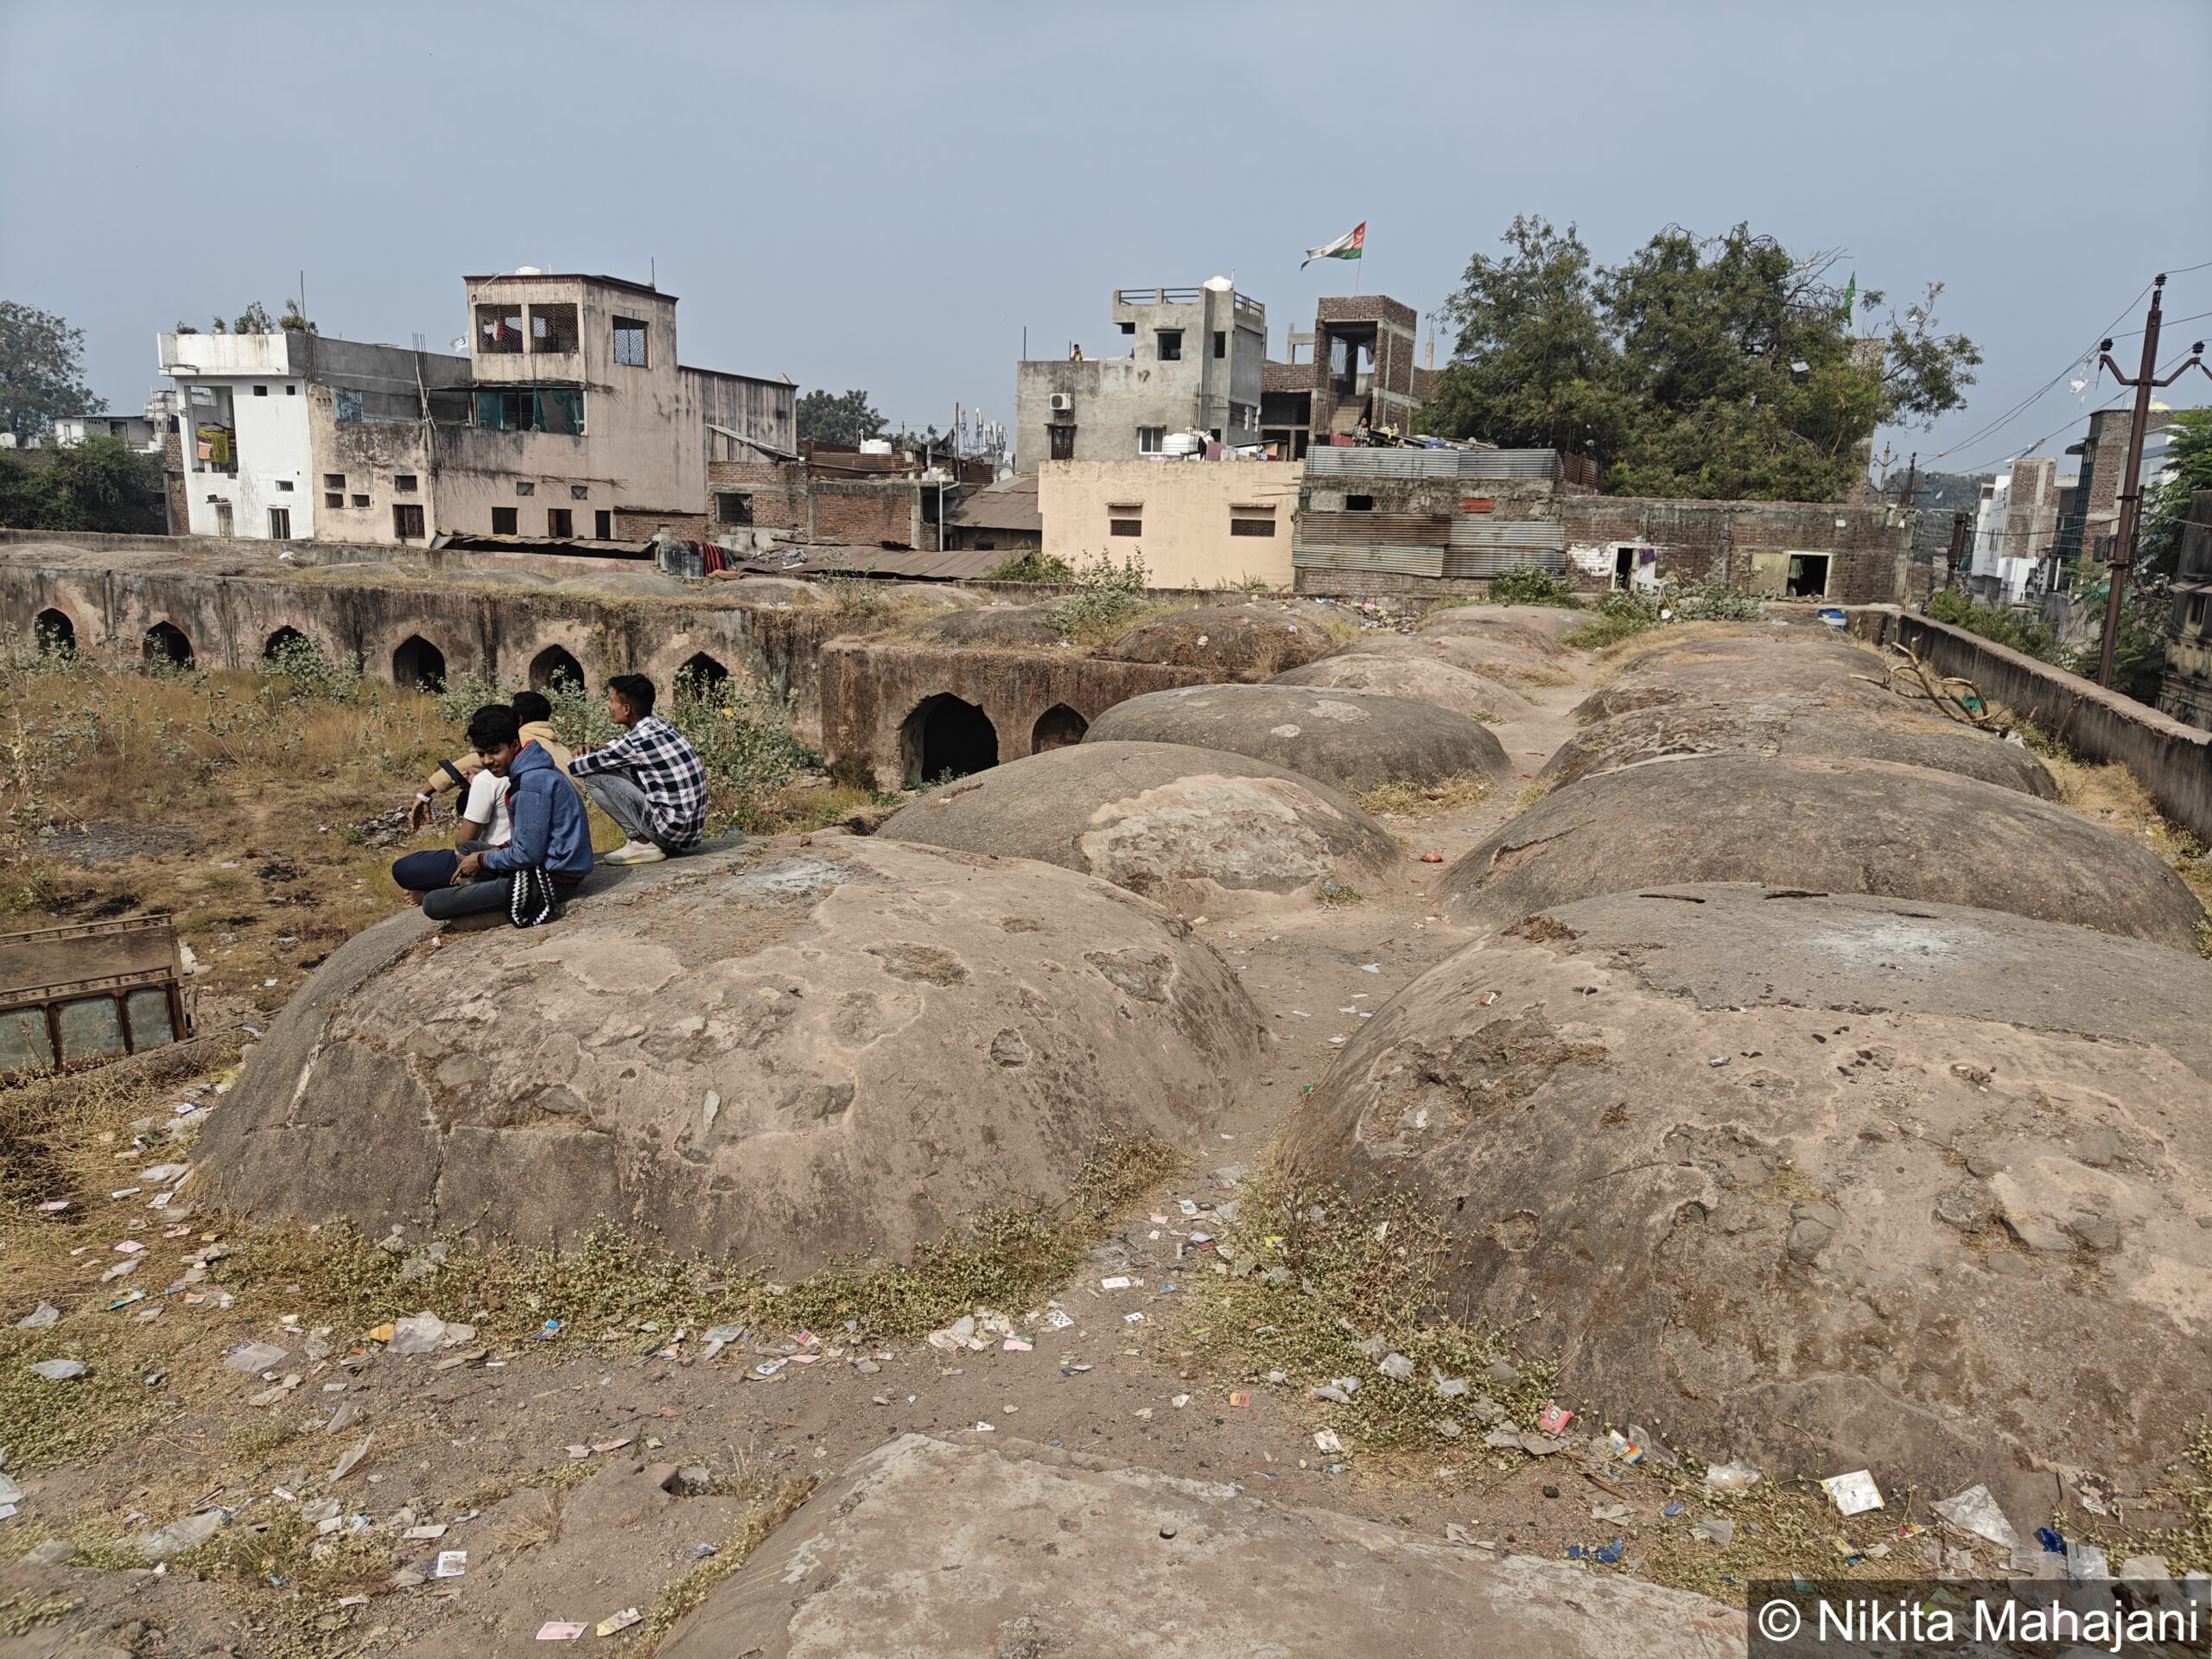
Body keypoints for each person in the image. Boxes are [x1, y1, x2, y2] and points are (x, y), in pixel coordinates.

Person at [395, 705, 592, 924]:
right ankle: (479, 891)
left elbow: (528, 854)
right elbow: (527, 840)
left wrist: (482, 860)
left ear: (514, 745)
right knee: (468, 848)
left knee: (433, 904)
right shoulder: (527, 770)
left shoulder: (531, 783)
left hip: (551, 878)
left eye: (494, 751)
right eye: (482, 754)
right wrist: (489, 854)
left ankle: (499, 908)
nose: (488, 760)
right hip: (542, 860)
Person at [566, 673, 706, 866]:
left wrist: (582, 755)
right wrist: (597, 748)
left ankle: (641, 842)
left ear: (626, 709)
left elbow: (576, 768)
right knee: (621, 766)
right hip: (686, 832)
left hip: (668, 833)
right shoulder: (660, 725)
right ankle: (649, 841)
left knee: (594, 776)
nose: (608, 706)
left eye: (611, 701)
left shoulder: (636, 742)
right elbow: (619, 747)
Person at [409, 690, 580, 830]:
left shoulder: (522, 741)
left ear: (517, 721)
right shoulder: (562, 749)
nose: (488, 760)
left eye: (492, 751)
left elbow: (463, 765)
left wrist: (424, 794)